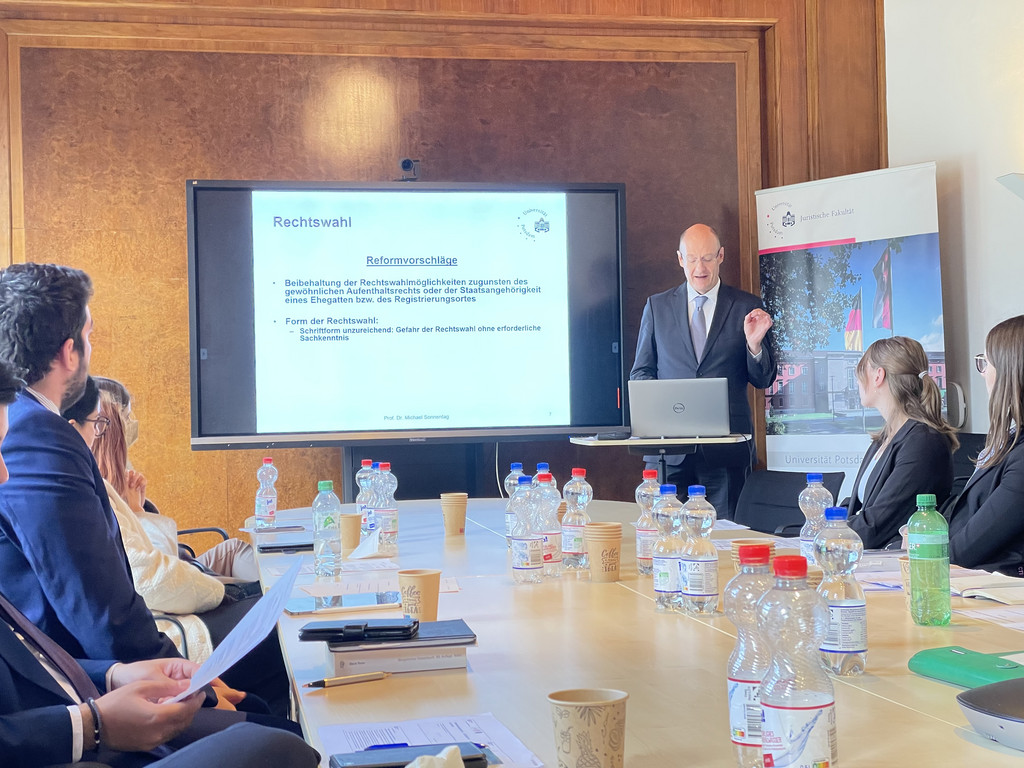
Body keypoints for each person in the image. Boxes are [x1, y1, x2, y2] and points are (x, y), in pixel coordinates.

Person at [0, 263, 291, 714]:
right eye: (89, 336)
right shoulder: (37, 433)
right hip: (89, 694)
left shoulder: (29, 423)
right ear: (69, 353)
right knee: (274, 718)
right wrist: (193, 688)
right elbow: (98, 609)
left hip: (95, 674)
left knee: (263, 703)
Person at [0, 356, 318, 768]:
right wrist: (92, 725)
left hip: (88, 705)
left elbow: (34, 665)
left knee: (273, 730)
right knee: (278, 745)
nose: (5, 476)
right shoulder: (45, 443)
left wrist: (116, 674)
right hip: (70, 745)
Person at [629, 223, 776, 518]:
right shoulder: (657, 307)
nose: (700, 268)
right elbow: (641, 373)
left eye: (707, 258)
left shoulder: (747, 307)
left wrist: (754, 345)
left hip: (726, 453)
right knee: (665, 535)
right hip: (668, 453)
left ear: (721, 256)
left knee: (725, 535)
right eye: (693, 259)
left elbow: (763, 379)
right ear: (680, 259)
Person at [844, 337, 957, 549]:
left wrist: (829, 535)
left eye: (860, 372)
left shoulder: (923, 442)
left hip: (895, 562)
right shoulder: (885, 438)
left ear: (878, 376)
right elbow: (859, 506)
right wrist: (826, 524)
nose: (857, 381)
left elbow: (878, 524)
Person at [945, 315, 1024, 575]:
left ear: (1009, 369)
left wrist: (921, 548)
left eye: (986, 362)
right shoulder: (1009, 440)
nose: (983, 373)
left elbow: (965, 550)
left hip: (998, 589)